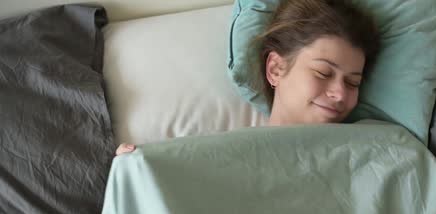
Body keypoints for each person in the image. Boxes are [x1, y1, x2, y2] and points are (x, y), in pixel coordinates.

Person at [116, 0, 379, 156]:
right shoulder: (222, 156)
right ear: (275, 69)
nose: (341, 93)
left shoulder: (376, 149)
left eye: (352, 82)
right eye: (323, 73)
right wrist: (136, 170)